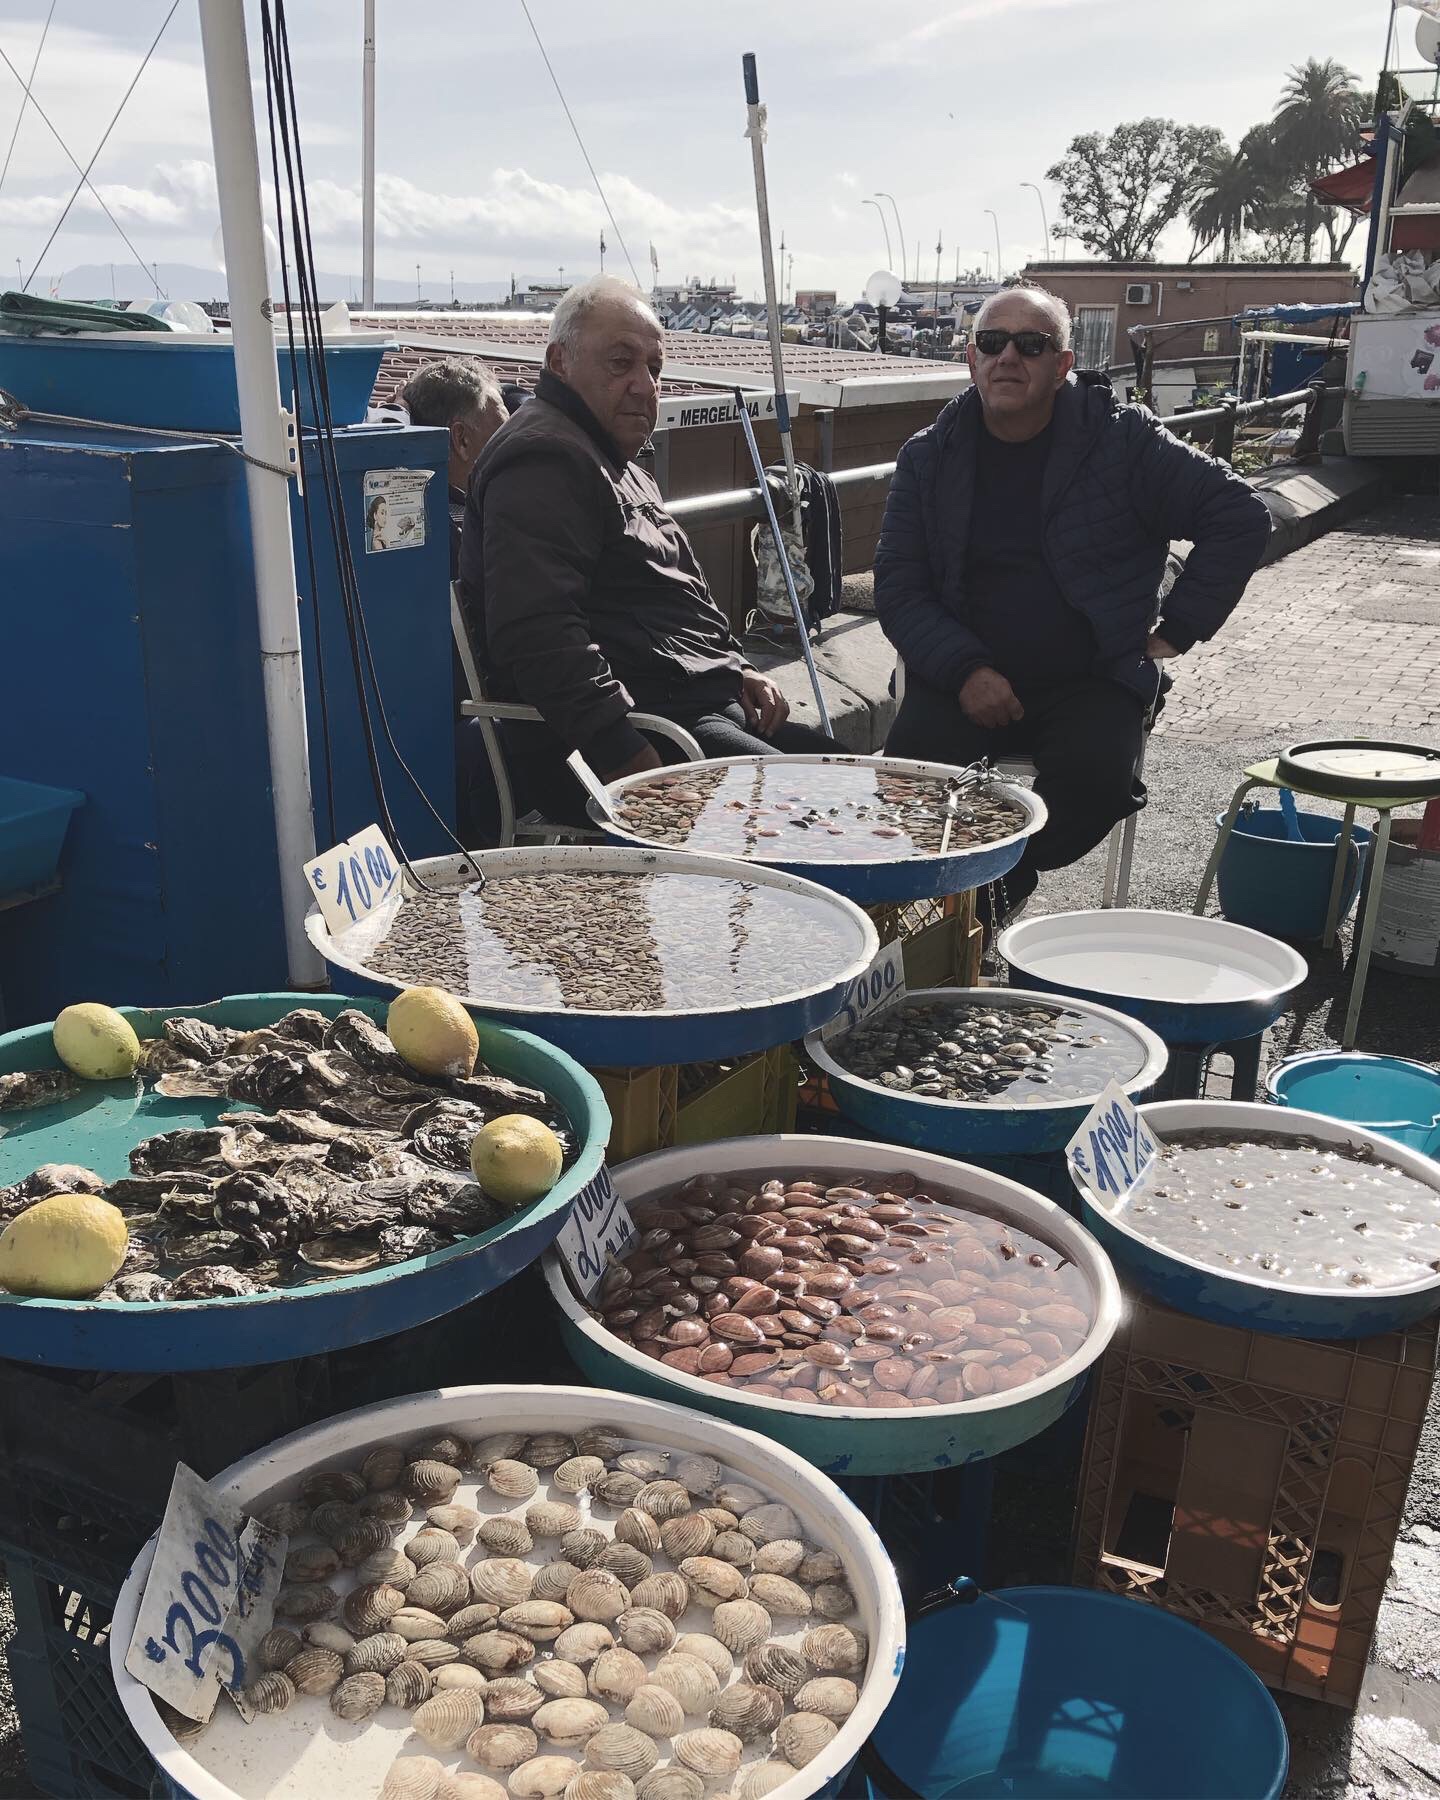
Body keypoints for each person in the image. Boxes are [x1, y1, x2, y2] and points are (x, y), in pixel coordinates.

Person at [874, 281, 1271, 918]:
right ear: (970, 358)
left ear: (1062, 366)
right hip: (961, 676)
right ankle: (938, 915)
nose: (1009, 358)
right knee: (907, 789)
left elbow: (1240, 514)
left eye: (1031, 345)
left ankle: (1003, 881)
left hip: (1089, 675)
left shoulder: (1123, 441)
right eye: (992, 342)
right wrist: (966, 670)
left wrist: (1180, 626)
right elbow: (899, 584)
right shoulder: (930, 456)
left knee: (1097, 782)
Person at [457, 275, 831, 825]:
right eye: (620, 363)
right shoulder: (544, 458)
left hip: (689, 707)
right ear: (559, 362)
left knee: (847, 773)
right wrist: (626, 756)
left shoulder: (611, 457)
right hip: (629, 739)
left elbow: (678, 599)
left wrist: (738, 668)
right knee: (813, 816)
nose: (644, 384)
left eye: (653, 368)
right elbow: (538, 634)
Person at [400, 358, 509, 578]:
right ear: (462, 440)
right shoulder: (454, 538)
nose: (513, 442)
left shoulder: (415, 517)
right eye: (503, 431)